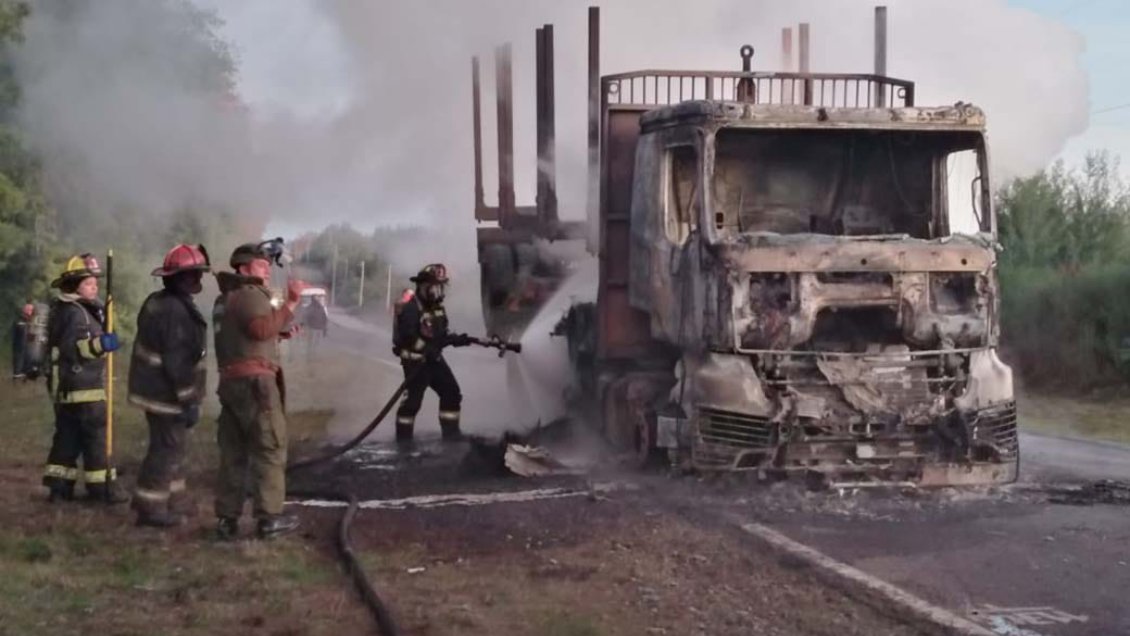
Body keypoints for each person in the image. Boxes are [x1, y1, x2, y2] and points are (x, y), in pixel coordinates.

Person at [212, 241, 304, 540]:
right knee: (269, 447)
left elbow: (253, 335)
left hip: (232, 383)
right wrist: (290, 303)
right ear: (243, 267)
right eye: (261, 263)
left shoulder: (226, 298)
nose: (266, 268)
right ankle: (268, 519)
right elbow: (260, 330)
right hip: (256, 386)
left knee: (233, 452)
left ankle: (227, 519)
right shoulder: (251, 294)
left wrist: (281, 328)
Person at [126, 244, 210, 528]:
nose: (199, 279)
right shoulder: (175, 311)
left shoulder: (158, 301)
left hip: (154, 390)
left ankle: (170, 500)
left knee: (172, 448)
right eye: (195, 274)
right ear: (181, 277)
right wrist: (189, 400)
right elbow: (178, 363)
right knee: (166, 449)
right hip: (166, 394)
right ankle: (151, 509)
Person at [42, 254, 127, 503]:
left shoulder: (66, 309)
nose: (95, 287)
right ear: (75, 285)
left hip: (68, 388)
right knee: (95, 437)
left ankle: (59, 486)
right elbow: (78, 349)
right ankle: (102, 489)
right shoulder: (77, 314)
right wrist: (104, 343)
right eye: (89, 284)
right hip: (84, 388)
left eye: (96, 283)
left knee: (68, 437)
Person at [392, 263, 473, 446]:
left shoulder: (437, 308)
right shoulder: (411, 308)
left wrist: (456, 339)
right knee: (412, 403)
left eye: (440, 286)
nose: (438, 291)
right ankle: (403, 442)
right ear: (423, 286)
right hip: (416, 362)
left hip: (433, 360)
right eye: (435, 286)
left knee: (451, 393)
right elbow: (408, 337)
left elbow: (439, 335)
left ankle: (451, 436)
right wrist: (425, 349)